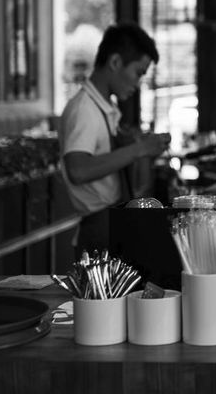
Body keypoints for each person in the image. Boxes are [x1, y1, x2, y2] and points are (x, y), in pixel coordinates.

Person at [59, 23, 171, 256]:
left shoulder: (104, 107)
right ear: (115, 62)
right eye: (138, 73)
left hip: (112, 219)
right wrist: (139, 149)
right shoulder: (84, 110)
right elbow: (78, 170)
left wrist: (136, 144)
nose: (138, 83)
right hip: (99, 225)